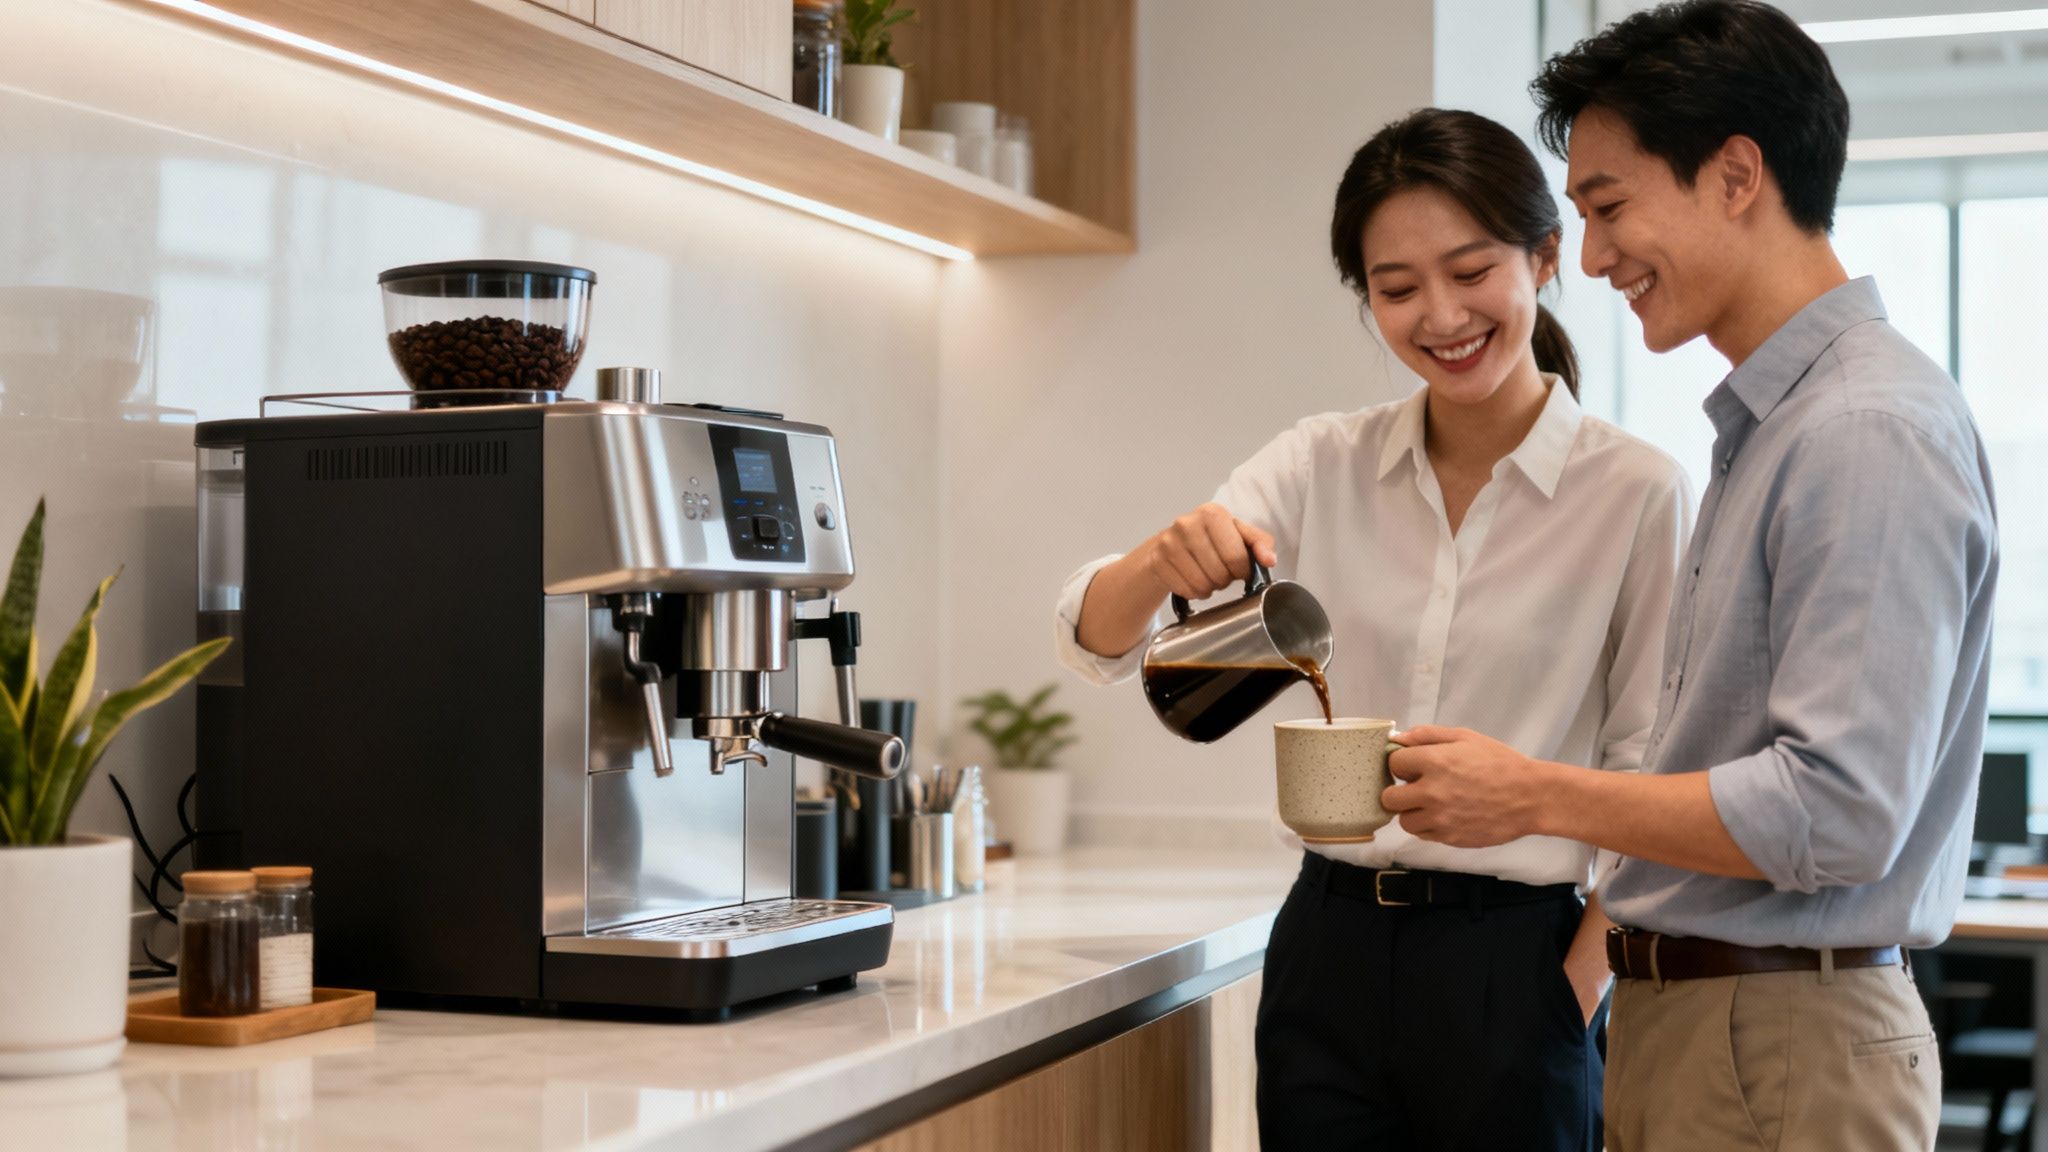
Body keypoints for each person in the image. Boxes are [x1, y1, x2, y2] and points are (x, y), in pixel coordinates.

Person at [1379, 4, 2002, 1150]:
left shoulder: (1862, 429)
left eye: (1609, 208)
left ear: (1733, 175)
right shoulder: (1773, 427)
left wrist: (1532, 794)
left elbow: (1836, 809)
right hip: (1715, 1029)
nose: (1598, 256)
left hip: (1777, 1041)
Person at [1051, 108, 1692, 1151]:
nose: (1438, 315)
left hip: (1517, 963)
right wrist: (1158, 562)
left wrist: (1566, 997)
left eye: (1469, 270)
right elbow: (1096, 640)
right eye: (1395, 290)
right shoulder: (1319, 464)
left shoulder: (1635, 493)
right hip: (1327, 946)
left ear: (1540, 259)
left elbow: (1648, 775)